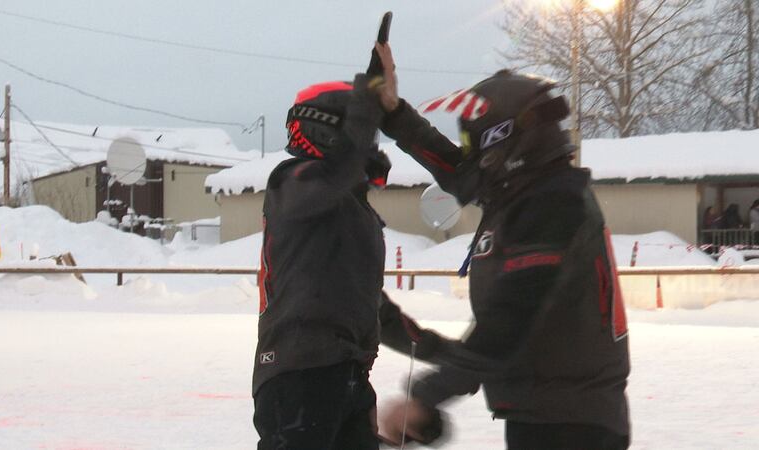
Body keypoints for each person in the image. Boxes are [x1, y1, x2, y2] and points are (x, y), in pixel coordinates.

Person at [372, 43, 631, 449]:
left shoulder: (551, 206)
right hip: (553, 413)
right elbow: (461, 172)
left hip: (570, 426)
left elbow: (510, 321)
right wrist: (393, 114)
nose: (472, 155)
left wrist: (426, 394)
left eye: (475, 142)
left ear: (504, 140)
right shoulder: (532, 192)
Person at [252, 74, 453, 450]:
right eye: (362, 130)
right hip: (298, 371)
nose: (369, 143)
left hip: (348, 372)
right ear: (329, 129)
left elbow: (367, 300)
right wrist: (362, 113)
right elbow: (333, 177)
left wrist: (433, 348)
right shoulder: (293, 182)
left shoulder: (348, 208)